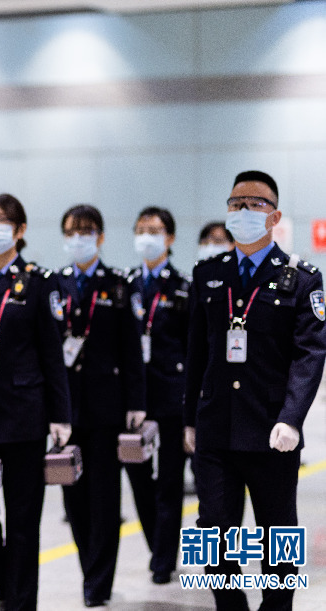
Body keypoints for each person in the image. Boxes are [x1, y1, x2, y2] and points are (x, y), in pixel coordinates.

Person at [184, 170, 326, 610]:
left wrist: (292, 418)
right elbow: (197, 351)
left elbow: (310, 353)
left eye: (254, 204)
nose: (243, 211)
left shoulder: (301, 278)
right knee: (212, 534)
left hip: (271, 432)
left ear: (274, 216)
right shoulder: (208, 274)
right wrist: (189, 419)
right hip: (215, 430)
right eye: (235, 203)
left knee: (277, 537)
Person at [0, 194, 71, 611]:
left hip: (25, 415)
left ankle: (20, 604)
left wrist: (61, 415)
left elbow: (53, 355)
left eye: (0, 220)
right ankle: (11, 590)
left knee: (24, 521)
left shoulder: (40, 283)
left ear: (19, 230)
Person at [55, 204, 146, 608]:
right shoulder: (54, 284)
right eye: (73, 232)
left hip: (108, 409)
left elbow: (133, 351)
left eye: (87, 231)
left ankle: (98, 583)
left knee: (105, 499)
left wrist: (137, 404)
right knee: (73, 499)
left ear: (101, 237)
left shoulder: (119, 286)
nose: (80, 238)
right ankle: (89, 567)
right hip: (66, 411)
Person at [124, 206, 190, 585]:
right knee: (137, 476)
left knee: (169, 481)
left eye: (155, 229)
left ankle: (163, 560)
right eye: (141, 228)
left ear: (170, 238)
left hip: (171, 396)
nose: (147, 236)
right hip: (134, 398)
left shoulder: (182, 286)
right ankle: (159, 544)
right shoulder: (126, 285)